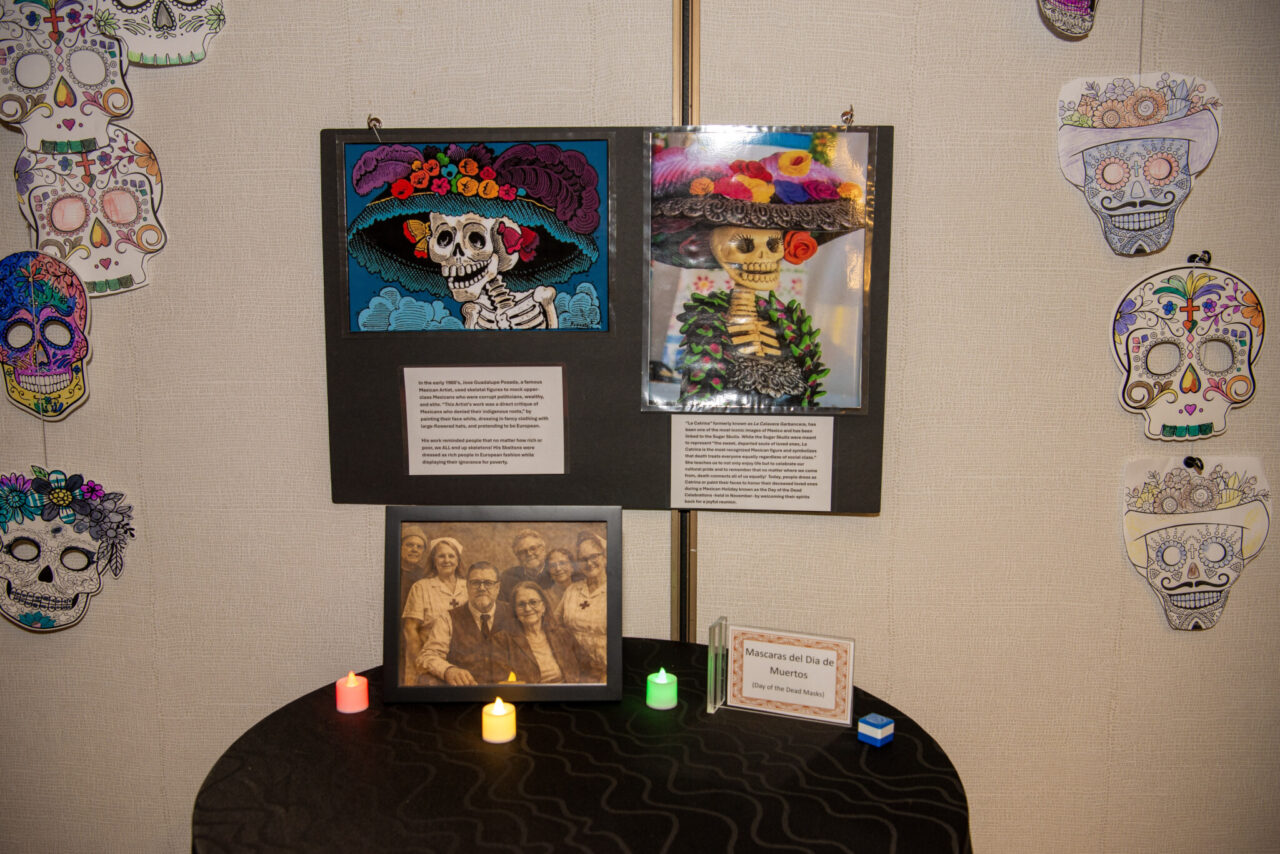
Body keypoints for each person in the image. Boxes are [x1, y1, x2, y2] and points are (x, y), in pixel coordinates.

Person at [419, 561, 517, 685]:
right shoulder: (448, 618)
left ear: (497, 587)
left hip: (507, 690)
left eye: (488, 583)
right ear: (467, 586)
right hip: (466, 690)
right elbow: (428, 655)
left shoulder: (513, 613)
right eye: (475, 583)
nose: (482, 588)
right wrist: (448, 670)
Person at [400, 537, 466, 685]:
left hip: (463, 661)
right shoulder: (421, 587)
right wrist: (421, 665)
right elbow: (410, 629)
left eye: (451, 556)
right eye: (441, 556)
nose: (446, 560)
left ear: (458, 560)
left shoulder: (468, 587)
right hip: (428, 661)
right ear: (434, 561)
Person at [497, 581, 590, 684]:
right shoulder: (503, 641)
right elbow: (501, 681)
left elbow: (590, 667)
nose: (527, 608)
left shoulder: (563, 634)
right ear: (515, 610)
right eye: (521, 604)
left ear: (543, 606)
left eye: (533, 602)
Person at [555, 531, 608, 682]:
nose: (589, 563)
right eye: (583, 559)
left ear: (604, 557)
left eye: (594, 556)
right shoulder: (572, 590)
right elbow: (553, 624)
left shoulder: (614, 590)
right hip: (574, 668)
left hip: (606, 669)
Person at [498, 528, 551, 602]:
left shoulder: (555, 573)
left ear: (543, 549)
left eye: (533, 548)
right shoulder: (508, 577)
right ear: (517, 556)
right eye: (522, 552)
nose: (529, 554)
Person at [398, 525, 430, 612]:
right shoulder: (390, 571)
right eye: (410, 545)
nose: (415, 550)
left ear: (423, 551)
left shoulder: (426, 575)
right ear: (400, 547)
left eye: (419, 547)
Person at [541, 547, 579, 612]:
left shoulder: (582, 591)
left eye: (562, 563)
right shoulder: (544, 596)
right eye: (552, 565)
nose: (558, 569)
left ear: (572, 567)